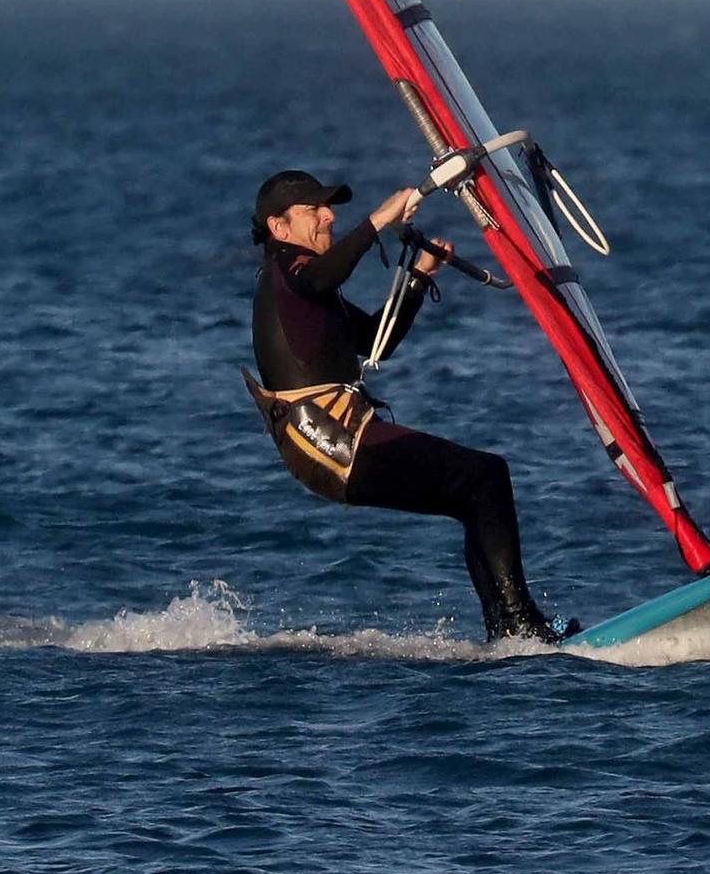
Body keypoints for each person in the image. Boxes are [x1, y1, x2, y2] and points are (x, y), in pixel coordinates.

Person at [245, 168, 575, 644]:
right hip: (330, 441)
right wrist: (379, 219)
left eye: (329, 207)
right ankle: (521, 625)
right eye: (314, 209)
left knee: (475, 491)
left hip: (336, 439)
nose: (329, 216)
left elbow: (376, 339)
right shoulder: (288, 273)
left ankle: (508, 631)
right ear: (279, 228)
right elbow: (322, 275)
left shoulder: (307, 289)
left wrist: (418, 276)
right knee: (485, 476)